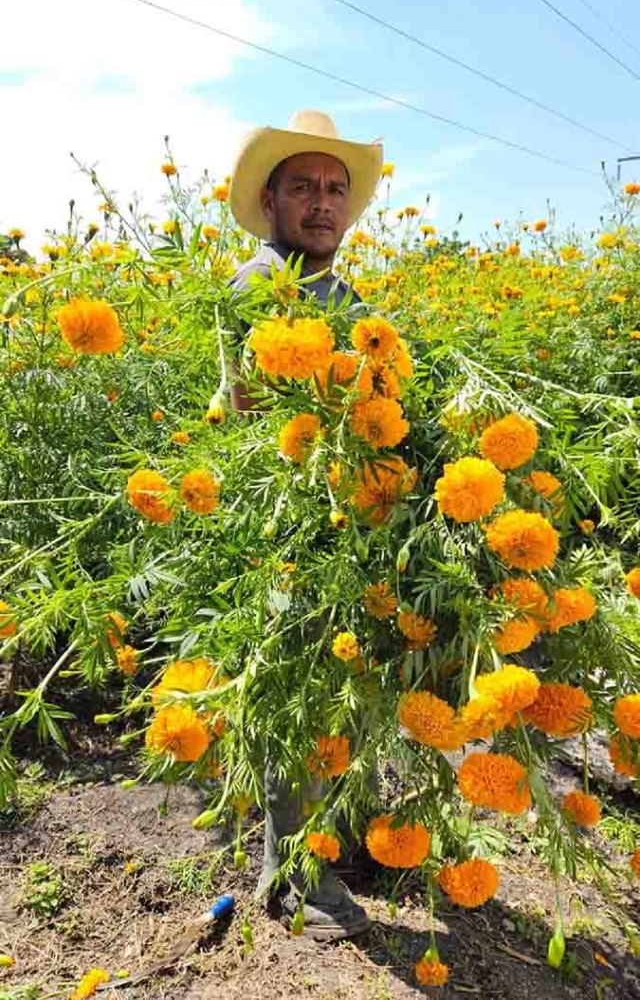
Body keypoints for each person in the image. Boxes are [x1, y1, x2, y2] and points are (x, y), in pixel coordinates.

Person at [227, 109, 383, 938]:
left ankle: (329, 839)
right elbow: (251, 412)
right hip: (282, 524)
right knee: (295, 693)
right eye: (303, 188)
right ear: (272, 199)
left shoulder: (345, 296)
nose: (321, 203)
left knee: (339, 694)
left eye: (334, 189)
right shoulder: (259, 287)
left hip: (341, 518)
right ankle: (292, 881)